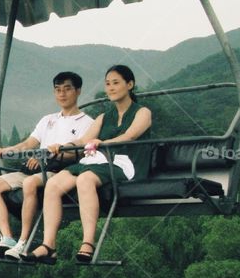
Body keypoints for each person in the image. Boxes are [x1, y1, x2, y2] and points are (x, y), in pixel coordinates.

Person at [25, 65, 152, 264]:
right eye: (108, 84)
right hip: (98, 161)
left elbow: (130, 136)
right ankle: (49, 245)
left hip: (124, 162)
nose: (110, 88)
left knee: (85, 179)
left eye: (116, 83)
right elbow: (83, 141)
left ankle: (88, 243)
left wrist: (102, 143)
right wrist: (62, 146)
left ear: (130, 84)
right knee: (54, 184)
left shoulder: (142, 112)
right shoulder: (103, 117)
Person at [0, 72, 94, 260]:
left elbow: (81, 151)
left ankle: (24, 242)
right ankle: (7, 237)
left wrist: (46, 155)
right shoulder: (48, 120)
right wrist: (7, 150)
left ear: (78, 91)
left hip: (58, 170)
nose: (62, 94)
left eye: (67, 89)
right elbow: (28, 144)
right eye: (58, 90)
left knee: (30, 184)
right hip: (35, 168)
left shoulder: (87, 123)